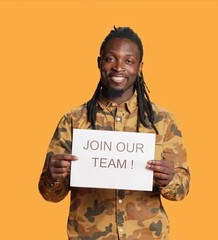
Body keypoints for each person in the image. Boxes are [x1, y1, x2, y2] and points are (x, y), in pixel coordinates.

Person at [38, 26, 190, 240]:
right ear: (99, 62)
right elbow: (50, 195)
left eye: (129, 61)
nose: (119, 67)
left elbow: (181, 189)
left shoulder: (163, 121)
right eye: (111, 59)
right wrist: (53, 177)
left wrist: (170, 179)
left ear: (140, 67)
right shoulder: (73, 121)